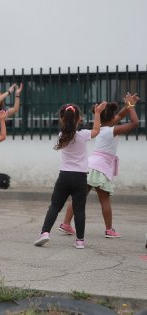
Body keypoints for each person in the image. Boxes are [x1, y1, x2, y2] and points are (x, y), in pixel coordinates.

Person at [57, 94, 139, 238]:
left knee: (78, 197)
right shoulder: (111, 130)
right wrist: (131, 106)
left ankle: (66, 224)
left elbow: (120, 114)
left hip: (90, 166)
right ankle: (109, 230)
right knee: (104, 199)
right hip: (100, 168)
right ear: (112, 118)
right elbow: (134, 123)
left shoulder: (102, 128)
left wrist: (130, 105)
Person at [34, 102, 106, 249]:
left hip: (64, 176)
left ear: (62, 119)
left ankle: (45, 233)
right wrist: (97, 113)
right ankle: (80, 240)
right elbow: (97, 130)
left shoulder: (61, 136)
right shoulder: (83, 135)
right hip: (80, 178)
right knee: (79, 209)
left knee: (55, 206)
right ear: (79, 119)